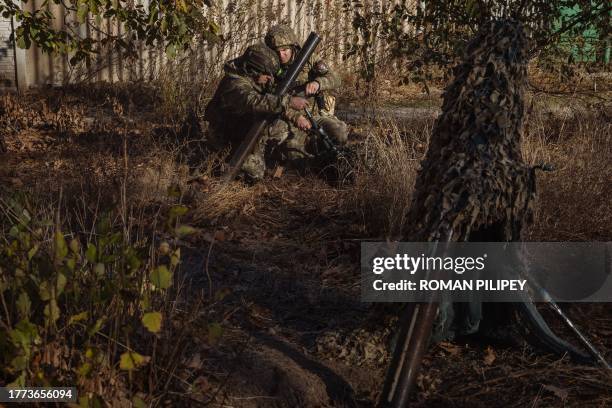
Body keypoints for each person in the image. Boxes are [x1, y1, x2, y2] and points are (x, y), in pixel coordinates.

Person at [204, 43, 309, 181]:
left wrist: (296, 116)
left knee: (282, 128)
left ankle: (267, 156)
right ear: (252, 70)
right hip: (225, 137)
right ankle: (221, 162)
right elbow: (255, 101)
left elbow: (270, 100)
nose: (268, 78)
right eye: (265, 74)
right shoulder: (234, 84)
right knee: (255, 173)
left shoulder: (250, 77)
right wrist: (288, 101)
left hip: (243, 127)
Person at [264, 24, 349, 161]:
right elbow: (269, 100)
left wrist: (318, 83)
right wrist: (296, 117)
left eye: (285, 49)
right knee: (294, 152)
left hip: (314, 115)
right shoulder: (268, 66)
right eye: (276, 51)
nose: (281, 55)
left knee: (340, 132)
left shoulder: (308, 59)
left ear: (292, 46)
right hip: (287, 118)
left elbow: (335, 78)